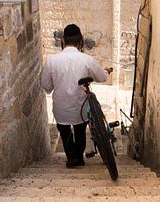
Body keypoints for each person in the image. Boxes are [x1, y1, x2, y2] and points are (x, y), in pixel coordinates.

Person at [41, 24, 112, 168]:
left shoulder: (51, 61)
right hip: (81, 109)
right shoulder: (87, 60)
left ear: (63, 40)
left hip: (61, 110)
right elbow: (101, 77)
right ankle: (79, 157)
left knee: (65, 131)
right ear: (80, 41)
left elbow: (46, 86)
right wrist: (106, 72)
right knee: (80, 130)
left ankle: (72, 157)